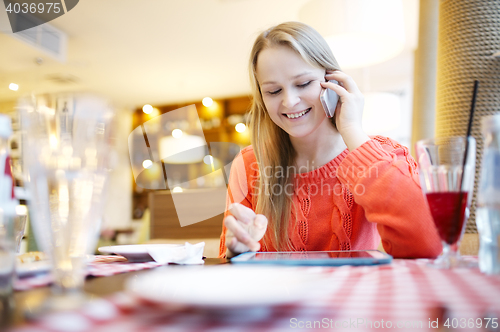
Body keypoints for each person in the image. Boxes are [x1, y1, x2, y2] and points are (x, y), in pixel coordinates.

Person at [218, 21, 441, 259]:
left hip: (354, 295)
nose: (290, 101)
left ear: (333, 82)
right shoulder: (249, 163)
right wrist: (236, 250)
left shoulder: (384, 154)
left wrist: (353, 130)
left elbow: (429, 245)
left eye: (303, 83)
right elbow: (227, 260)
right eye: (274, 91)